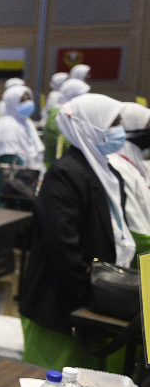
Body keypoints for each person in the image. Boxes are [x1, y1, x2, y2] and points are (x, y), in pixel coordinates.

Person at [19, 93, 134, 372]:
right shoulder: (65, 173)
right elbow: (63, 243)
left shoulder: (107, 172)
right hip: (63, 301)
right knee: (50, 384)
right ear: (90, 127)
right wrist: (86, 295)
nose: (120, 131)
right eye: (113, 123)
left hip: (97, 295)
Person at [0, 85, 44, 206]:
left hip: (30, 179)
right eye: (22, 100)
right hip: (15, 183)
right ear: (12, 102)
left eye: (29, 99)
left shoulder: (26, 122)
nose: (28, 103)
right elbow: (10, 158)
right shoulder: (7, 125)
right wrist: (31, 177)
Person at [110, 103, 150, 252]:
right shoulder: (117, 167)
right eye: (147, 125)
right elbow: (133, 228)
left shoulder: (137, 163)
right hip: (138, 252)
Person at [42, 78, 90, 167]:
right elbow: (62, 144)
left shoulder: (71, 112)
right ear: (73, 95)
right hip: (56, 168)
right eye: (82, 95)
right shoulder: (58, 114)